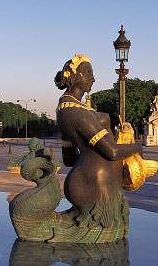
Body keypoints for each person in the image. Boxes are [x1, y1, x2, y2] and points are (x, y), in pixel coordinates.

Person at [54, 54, 146, 231]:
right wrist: (137, 147)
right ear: (76, 76)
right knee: (104, 249)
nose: (93, 79)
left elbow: (69, 159)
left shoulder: (68, 108)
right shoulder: (75, 112)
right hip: (94, 185)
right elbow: (111, 152)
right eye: (89, 74)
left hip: (94, 180)